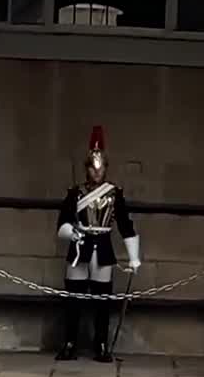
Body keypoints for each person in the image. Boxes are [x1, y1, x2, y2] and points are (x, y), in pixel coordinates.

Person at [54, 125, 140, 362]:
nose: (96, 172)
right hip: (79, 248)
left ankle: (101, 344)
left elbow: (126, 225)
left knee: (103, 302)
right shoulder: (75, 193)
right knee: (74, 299)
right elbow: (62, 222)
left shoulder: (115, 194)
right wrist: (71, 233)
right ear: (87, 168)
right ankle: (70, 342)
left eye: (100, 168)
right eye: (93, 167)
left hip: (103, 247)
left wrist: (134, 256)